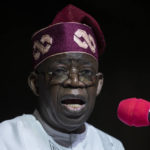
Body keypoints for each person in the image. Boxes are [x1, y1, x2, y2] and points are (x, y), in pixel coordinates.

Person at [0, 4, 125, 150]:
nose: (74, 82)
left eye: (85, 73)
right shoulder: (7, 138)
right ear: (35, 83)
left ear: (98, 85)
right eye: (60, 71)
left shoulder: (111, 146)